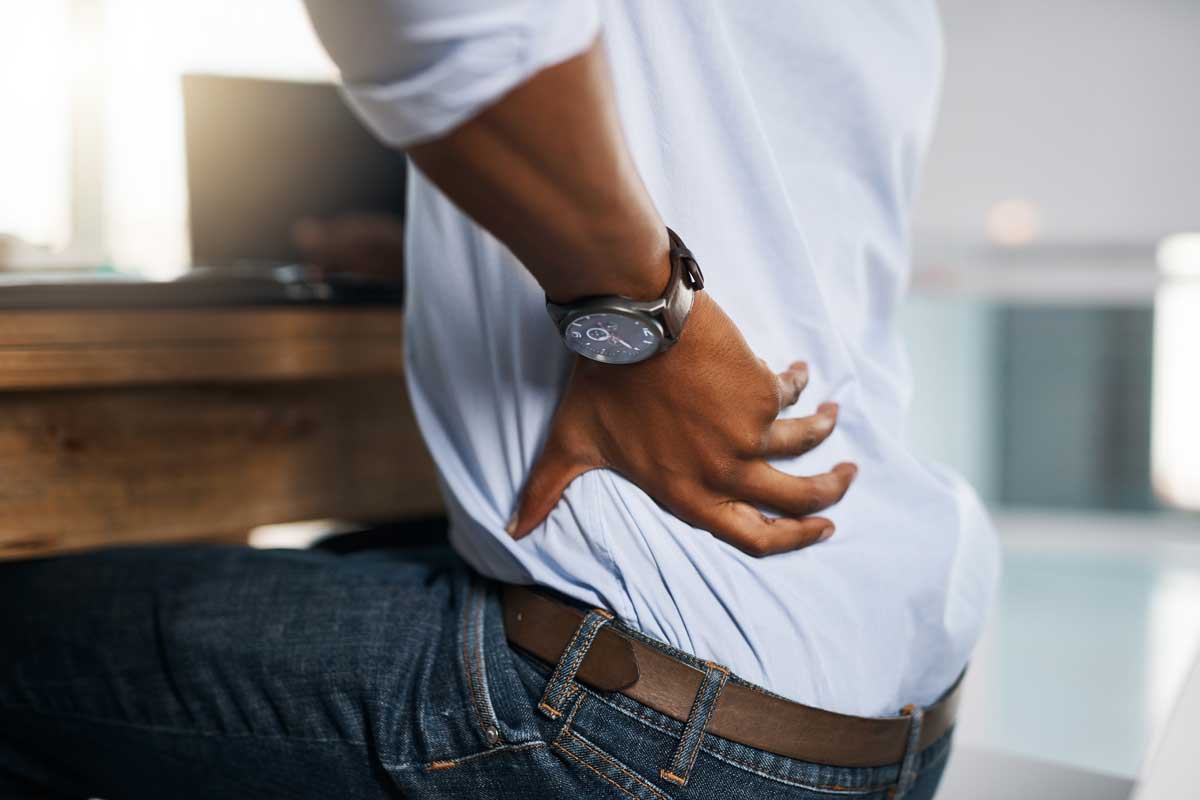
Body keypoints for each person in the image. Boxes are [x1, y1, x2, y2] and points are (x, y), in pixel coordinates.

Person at [0, 2, 999, 798]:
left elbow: (450, 21)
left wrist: (640, 316)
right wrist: (469, 262)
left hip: (672, 719)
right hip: (896, 692)